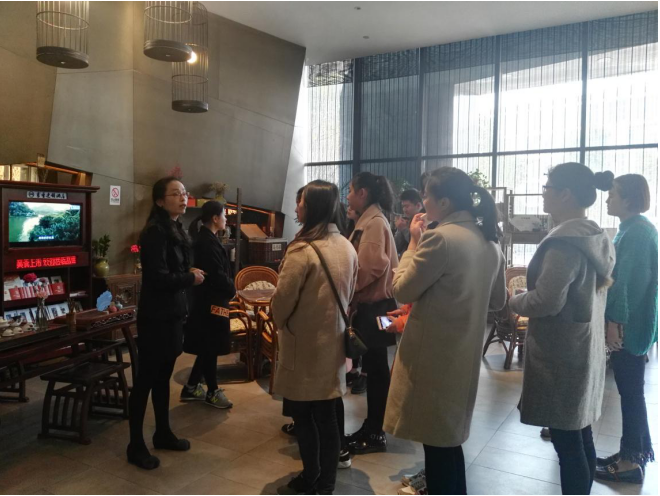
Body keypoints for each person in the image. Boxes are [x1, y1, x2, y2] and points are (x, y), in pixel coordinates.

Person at [384, 167, 506, 495]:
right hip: (464, 353)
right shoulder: (489, 241)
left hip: (432, 357)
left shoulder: (440, 238)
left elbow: (401, 290)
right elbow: (498, 301)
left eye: (426, 196)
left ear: (444, 202)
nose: (423, 202)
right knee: (448, 442)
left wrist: (413, 242)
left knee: (436, 446)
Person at [510, 163, 615, 495]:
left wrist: (514, 300)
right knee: (580, 435)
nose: (544, 193)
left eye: (548, 187)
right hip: (583, 349)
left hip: (561, 356)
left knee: (568, 444)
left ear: (566, 194)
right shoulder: (595, 236)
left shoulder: (564, 243)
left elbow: (546, 301)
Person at [272, 180, 358, 495]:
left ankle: (310, 479)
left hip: (303, 349)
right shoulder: (346, 246)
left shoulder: (302, 249)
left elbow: (282, 302)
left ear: (313, 207)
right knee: (328, 417)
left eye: (301, 202)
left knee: (304, 416)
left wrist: (279, 321)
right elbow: (351, 294)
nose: (297, 207)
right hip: (333, 346)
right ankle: (327, 484)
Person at [127, 177, 205, 470]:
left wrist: (188, 271)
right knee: (145, 381)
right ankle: (135, 445)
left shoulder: (175, 228)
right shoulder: (154, 233)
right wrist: (189, 278)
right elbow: (158, 278)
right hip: (155, 318)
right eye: (175, 194)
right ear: (160, 201)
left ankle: (162, 432)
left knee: (162, 378)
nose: (183, 198)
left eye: (184, 192)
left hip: (173, 315)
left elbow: (174, 269)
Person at [595, 174, 657, 484]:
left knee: (631, 394)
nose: (607, 199)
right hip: (633, 324)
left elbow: (627, 285)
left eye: (613, 194)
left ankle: (631, 463)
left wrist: (615, 323)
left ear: (629, 199)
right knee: (632, 393)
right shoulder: (633, 228)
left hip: (629, 327)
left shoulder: (637, 233)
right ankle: (632, 453)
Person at [345, 171, 399, 455]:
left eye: (351, 190)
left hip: (377, 307)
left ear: (363, 193)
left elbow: (371, 266)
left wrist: (348, 289)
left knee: (377, 370)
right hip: (376, 307)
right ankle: (373, 426)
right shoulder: (371, 219)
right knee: (375, 368)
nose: (348, 196)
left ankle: (376, 432)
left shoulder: (374, 222)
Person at [180, 200, 235, 409]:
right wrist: (232, 289)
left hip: (210, 300)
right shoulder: (206, 242)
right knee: (211, 345)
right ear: (214, 218)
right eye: (224, 215)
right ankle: (212, 391)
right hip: (211, 302)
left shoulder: (206, 238)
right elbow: (217, 275)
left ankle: (192, 386)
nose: (226, 219)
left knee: (208, 344)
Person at [394, 189, 425, 257]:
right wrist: (400, 229)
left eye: (407, 206)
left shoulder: (425, 220)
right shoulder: (407, 220)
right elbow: (396, 247)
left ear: (418, 205)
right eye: (403, 206)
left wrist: (404, 229)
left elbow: (418, 242)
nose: (404, 210)